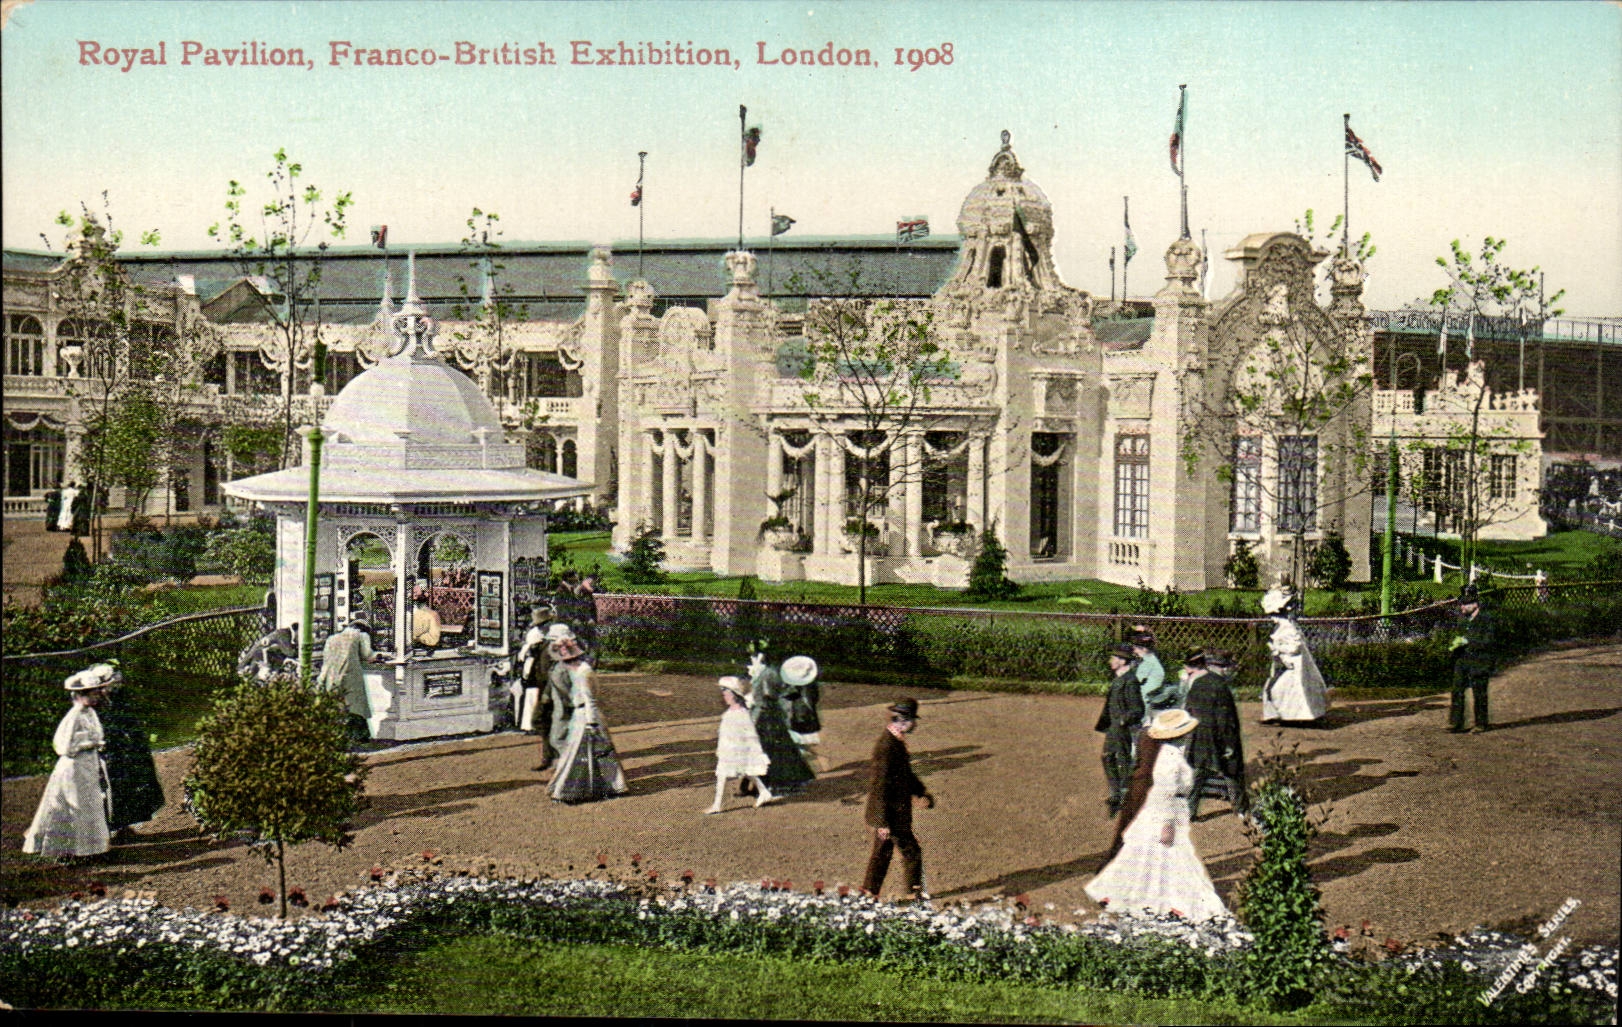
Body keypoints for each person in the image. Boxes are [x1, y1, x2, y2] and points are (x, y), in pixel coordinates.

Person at [1085, 709, 1229, 922]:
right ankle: (1163, 900)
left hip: (1159, 809)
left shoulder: (1165, 754)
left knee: (1148, 854)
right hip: (1166, 811)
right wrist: (1167, 822)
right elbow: (1166, 791)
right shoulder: (1171, 758)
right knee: (1172, 855)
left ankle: (1139, 895)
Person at [23, 669, 113, 859]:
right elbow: (64, 746)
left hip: (88, 765)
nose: (97, 696)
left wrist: (97, 745)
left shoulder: (89, 713)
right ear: (81, 695)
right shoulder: (74, 716)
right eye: (93, 693)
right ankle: (70, 850)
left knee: (91, 804)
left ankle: (90, 848)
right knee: (75, 805)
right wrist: (91, 744)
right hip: (75, 767)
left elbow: (97, 735)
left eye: (98, 691)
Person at [861, 698, 934, 902]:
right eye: (912, 720)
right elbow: (880, 786)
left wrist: (920, 792)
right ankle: (914, 892)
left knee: (882, 853)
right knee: (910, 851)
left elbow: (905, 774)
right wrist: (881, 822)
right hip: (891, 814)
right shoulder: (887, 747)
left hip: (894, 812)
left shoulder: (895, 741)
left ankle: (869, 892)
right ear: (903, 720)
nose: (914, 725)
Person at [548, 634, 628, 803]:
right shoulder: (578, 671)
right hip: (580, 715)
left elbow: (590, 699)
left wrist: (591, 724)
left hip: (587, 716)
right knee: (580, 753)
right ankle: (600, 786)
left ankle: (570, 790)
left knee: (588, 753)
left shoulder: (584, 672)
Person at [96, 665, 164, 840]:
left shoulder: (119, 700)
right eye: (111, 684)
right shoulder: (96, 706)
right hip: (108, 754)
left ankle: (124, 827)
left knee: (128, 788)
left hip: (124, 752)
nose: (114, 687)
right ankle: (108, 830)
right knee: (110, 791)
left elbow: (130, 723)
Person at [1181, 650, 1249, 818]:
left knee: (1197, 773)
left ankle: (1189, 811)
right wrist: (1230, 744)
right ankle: (1240, 809)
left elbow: (1188, 709)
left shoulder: (1196, 683)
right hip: (1219, 736)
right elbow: (1226, 719)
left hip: (1198, 735)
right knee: (1231, 771)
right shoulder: (1221, 686)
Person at [744, 654, 816, 797]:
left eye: (755, 657)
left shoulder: (769, 673)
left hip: (766, 716)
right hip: (763, 714)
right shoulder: (763, 672)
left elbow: (780, 693)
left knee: (770, 750)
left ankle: (773, 784)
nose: (752, 660)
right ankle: (761, 784)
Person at [1260, 587, 1329, 723]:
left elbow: (1294, 647)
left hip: (1294, 661)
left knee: (1293, 686)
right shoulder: (1282, 625)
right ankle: (1278, 714)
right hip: (1285, 660)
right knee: (1278, 685)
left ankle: (1299, 715)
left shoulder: (1287, 626)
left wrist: (1278, 649)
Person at [706, 677, 775, 813]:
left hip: (737, 750)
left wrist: (754, 752)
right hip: (729, 749)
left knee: (724, 774)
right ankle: (764, 792)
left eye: (726, 692)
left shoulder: (741, 714)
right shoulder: (730, 713)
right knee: (743, 771)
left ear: (735, 695)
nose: (724, 695)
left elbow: (750, 735)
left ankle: (717, 805)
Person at [1095, 643, 1147, 816]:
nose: (1111, 660)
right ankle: (1116, 792)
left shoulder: (1130, 682)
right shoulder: (1120, 678)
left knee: (1122, 760)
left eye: (1114, 658)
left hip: (1121, 729)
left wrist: (1124, 721)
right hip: (1114, 727)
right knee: (1108, 757)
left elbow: (1138, 709)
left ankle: (1125, 796)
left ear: (1122, 661)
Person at [317, 616, 376, 742]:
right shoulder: (361, 636)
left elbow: (326, 660)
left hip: (333, 676)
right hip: (351, 674)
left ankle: (338, 735)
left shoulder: (332, 638)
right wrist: (377, 656)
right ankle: (359, 736)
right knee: (356, 706)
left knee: (338, 704)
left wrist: (321, 679)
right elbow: (367, 655)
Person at [1449, 585, 1496, 733]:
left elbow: (1489, 641)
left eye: (1465, 604)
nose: (1462, 607)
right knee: (1457, 689)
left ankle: (1481, 723)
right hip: (1462, 659)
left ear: (1475, 604)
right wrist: (1454, 644)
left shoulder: (1486, 619)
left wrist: (1469, 641)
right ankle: (1456, 722)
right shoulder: (1462, 619)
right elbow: (1456, 635)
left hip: (1480, 660)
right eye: (1461, 603)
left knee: (1479, 691)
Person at [542, 623, 582, 769]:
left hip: (566, 707)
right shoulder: (564, 664)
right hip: (563, 706)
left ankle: (572, 766)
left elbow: (567, 690)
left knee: (558, 738)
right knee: (559, 738)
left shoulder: (564, 667)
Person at [779, 654, 828, 773]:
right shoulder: (810, 687)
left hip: (799, 717)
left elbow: (787, 697)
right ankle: (810, 763)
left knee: (798, 742)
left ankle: (815, 761)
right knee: (798, 743)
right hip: (801, 717)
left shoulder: (800, 689)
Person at [515, 605, 555, 736]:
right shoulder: (537, 634)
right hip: (533, 665)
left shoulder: (539, 632)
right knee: (533, 694)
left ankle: (533, 723)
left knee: (535, 694)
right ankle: (530, 725)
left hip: (535, 665)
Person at [1130, 630, 1179, 721]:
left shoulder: (1148, 662)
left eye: (1136, 648)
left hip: (1147, 696)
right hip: (1150, 692)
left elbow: (1135, 682)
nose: (1135, 651)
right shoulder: (1151, 659)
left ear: (1144, 649)